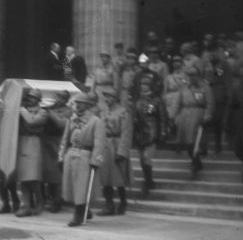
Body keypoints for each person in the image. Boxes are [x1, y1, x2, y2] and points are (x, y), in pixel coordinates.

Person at [58, 92, 106, 227]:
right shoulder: (71, 120)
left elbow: (99, 142)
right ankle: (85, 210)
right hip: (71, 153)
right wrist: (61, 156)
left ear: (88, 105)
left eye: (82, 103)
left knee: (81, 186)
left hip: (85, 155)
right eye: (76, 103)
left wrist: (96, 160)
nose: (78, 106)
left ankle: (78, 214)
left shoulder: (95, 121)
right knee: (71, 186)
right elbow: (64, 139)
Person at [170, 66, 214, 179]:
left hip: (198, 115)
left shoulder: (205, 87)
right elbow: (176, 102)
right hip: (185, 116)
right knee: (188, 142)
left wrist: (207, 116)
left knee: (195, 142)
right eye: (189, 75)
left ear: (198, 75)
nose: (191, 77)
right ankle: (197, 162)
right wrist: (173, 116)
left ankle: (194, 164)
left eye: (193, 74)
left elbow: (210, 104)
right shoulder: (183, 87)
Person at [97, 87, 132, 215]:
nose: (107, 99)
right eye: (105, 97)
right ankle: (109, 204)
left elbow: (126, 133)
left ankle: (123, 202)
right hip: (105, 145)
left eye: (110, 97)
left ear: (115, 98)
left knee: (119, 177)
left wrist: (122, 151)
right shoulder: (103, 112)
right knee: (106, 177)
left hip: (117, 145)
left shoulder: (123, 112)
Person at [15, 88, 49, 217]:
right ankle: (26, 206)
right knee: (23, 179)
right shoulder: (24, 110)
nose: (30, 99)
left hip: (34, 143)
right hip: (22, 142)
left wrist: (22, 110)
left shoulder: (43, 112)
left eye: (33, 97)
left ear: (38, 100)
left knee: (34, 178)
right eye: (29, 97)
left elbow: (32, 121)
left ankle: (40, 202)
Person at [133, 81, 167, 197]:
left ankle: (147, 182)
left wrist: (162, 131)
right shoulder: (137, 100)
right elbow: (134, 115)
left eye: (146, 86)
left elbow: (162, 117)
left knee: (147, 157)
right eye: (142, 86)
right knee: (142, 159)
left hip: (152, 130)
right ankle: (149, 180)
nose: (143, 88)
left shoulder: (157, 100)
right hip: (139, 132)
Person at [41, 90, 72, 213]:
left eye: (62, 98)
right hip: (45, 141)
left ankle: (57, 201)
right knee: (44, 173)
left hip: (58, 142)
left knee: (56, 174)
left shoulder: (68, 111)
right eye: (58, 97)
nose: (59, 100)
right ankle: (43, 199)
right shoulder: (49, 108)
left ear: (66, 100)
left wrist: (51, 113)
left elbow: (61, 124)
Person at [202, 50, 231, 156]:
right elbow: (204, 77)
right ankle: (203, 147)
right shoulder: (207, 64)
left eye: (214, 54)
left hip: (219, 95)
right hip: (207, 94)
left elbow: (222, 77)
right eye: (210, 54)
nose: (212, 55)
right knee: (205, 122)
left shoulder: (223, 64)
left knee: (218, 123)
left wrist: (227, 94)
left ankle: (218, 146)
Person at [163, 55, 188, 126]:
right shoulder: (168, 77)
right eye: (174, 61)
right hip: (171, 102)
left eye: (178, 61)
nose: (176, 63)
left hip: (183, 101)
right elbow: (165, 91)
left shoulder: (186, 76)